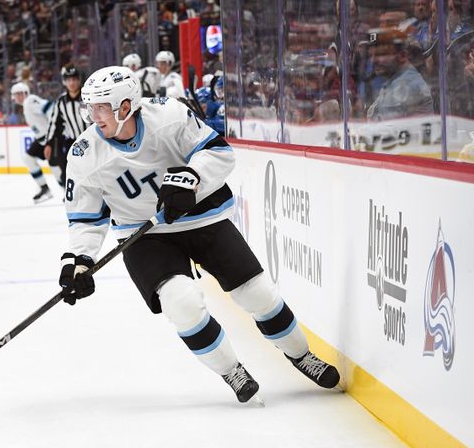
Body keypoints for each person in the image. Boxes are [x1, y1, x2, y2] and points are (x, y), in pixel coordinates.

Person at [58, 66, 340, 402]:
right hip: (143, 236)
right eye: (91, 107)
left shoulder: (169, 116)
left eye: (101, 107)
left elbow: (220, 153)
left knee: (258, 293)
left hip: (202, 218)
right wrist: (79, 260)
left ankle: (300, 354)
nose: (94, 115)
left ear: (125, 106)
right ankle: (231, 370)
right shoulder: (84, 153)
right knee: (182, 304)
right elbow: (86, 219)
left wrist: (191, 177)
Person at [10, 82, 62, 203]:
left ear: (26, 93)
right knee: (28, 157)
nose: (18, 97)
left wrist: (54, 125)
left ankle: (67, 191)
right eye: (16, 94)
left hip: (51, 138)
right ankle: (44, 188)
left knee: (55, 167)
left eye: (20, 93)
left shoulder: (30, 101)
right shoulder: (26, 105)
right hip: (41, 139)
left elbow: (49, 108)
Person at [44, 65, 89, 185]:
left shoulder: (88, 97)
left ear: (79, 80)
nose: (72, 83)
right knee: (69, 172)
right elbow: (53, 123)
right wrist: (48, 143)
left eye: (74, 79)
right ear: (64, 82)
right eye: (69, 80)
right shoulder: (61, 102)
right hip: (73, 142)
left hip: (92, 140)